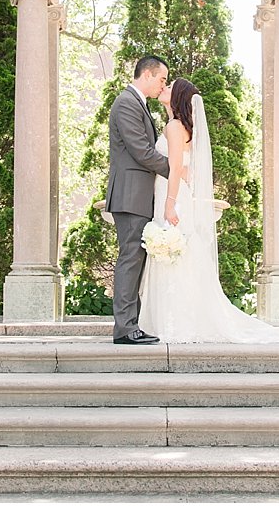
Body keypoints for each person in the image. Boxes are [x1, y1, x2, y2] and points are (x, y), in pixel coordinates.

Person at [138, 77, 279, 344]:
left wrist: (169, 202)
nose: (164, 87)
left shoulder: (174, 127)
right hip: (175, 194)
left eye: (170, 86)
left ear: (178, 98)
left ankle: (174, 323)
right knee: (179, 256)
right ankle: (179, 319)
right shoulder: (180, 125)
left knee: (173, 256)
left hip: (171, 195)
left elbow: (174, 168)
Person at [106, 54, 171, 345]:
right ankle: (124, 328)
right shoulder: (126, 103)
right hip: (130, 195)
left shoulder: (138, 104)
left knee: (135, 259)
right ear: (147, 74)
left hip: (138, 196)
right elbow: (142, 151)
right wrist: (178, 171)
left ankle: (132, 324)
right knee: (130, 259)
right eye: (161, 79)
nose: (162, 85)